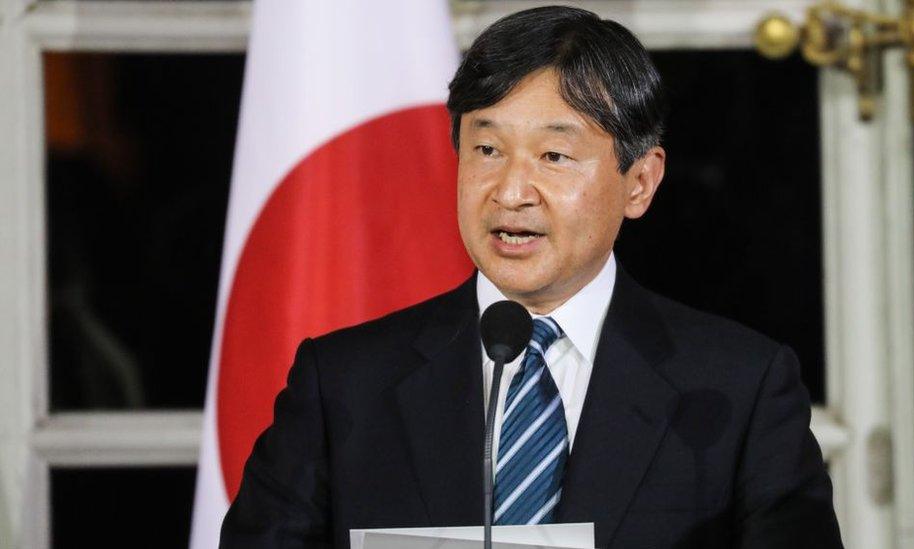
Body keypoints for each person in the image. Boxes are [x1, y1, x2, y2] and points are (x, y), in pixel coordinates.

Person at [220, 6, 843, 548]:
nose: (511, 192)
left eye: (554, 156)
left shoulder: (739, 389)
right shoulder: (344, 385)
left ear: (640, 182)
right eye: (486, 150)